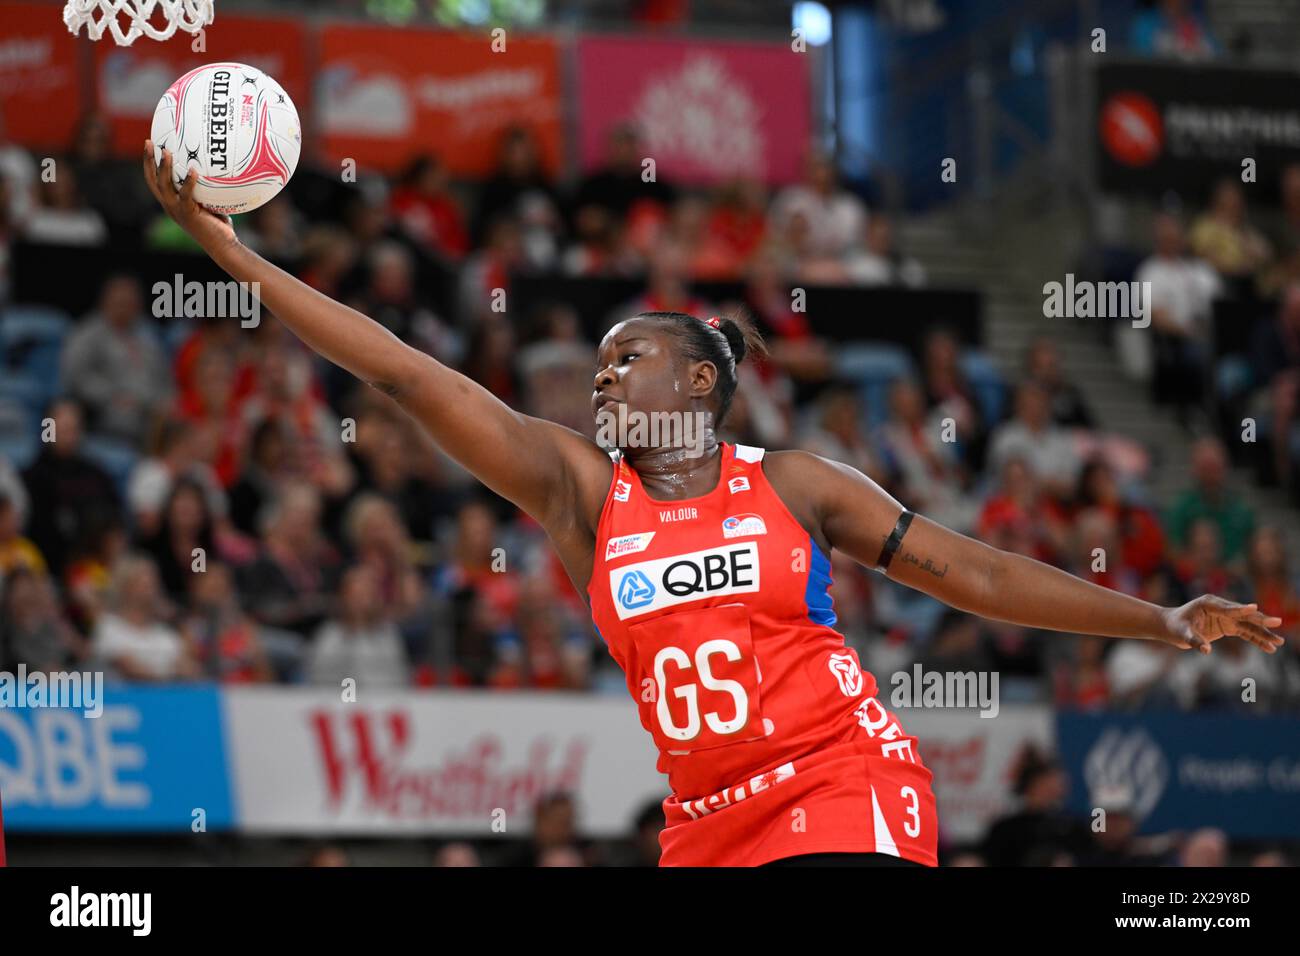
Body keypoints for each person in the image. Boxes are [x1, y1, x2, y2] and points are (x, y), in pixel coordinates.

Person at [143, 142, 1286, 867]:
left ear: (698, 381)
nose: (597, 378)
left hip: (842, 781)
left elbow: (977, 573)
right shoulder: (579, 491)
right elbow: (407, 374)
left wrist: (1158, 618)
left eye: (621, 357)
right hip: (704, 823)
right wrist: (233, 254)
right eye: (594, 364)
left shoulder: (792, 483)